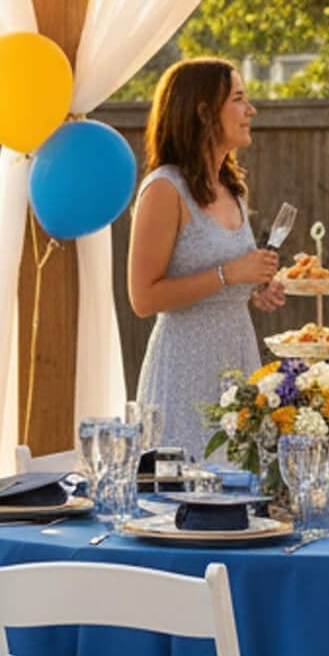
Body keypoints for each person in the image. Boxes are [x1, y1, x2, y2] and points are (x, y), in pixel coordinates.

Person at [126, 59, 284, 456]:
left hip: (239, 364)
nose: (251, 110)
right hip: (184, 374)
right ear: (203, 113)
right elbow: (143, 298)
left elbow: (222, 279)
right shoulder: (164, 190)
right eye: (238, 99)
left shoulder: (233, 188)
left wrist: (254, 287)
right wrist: (230, 274)